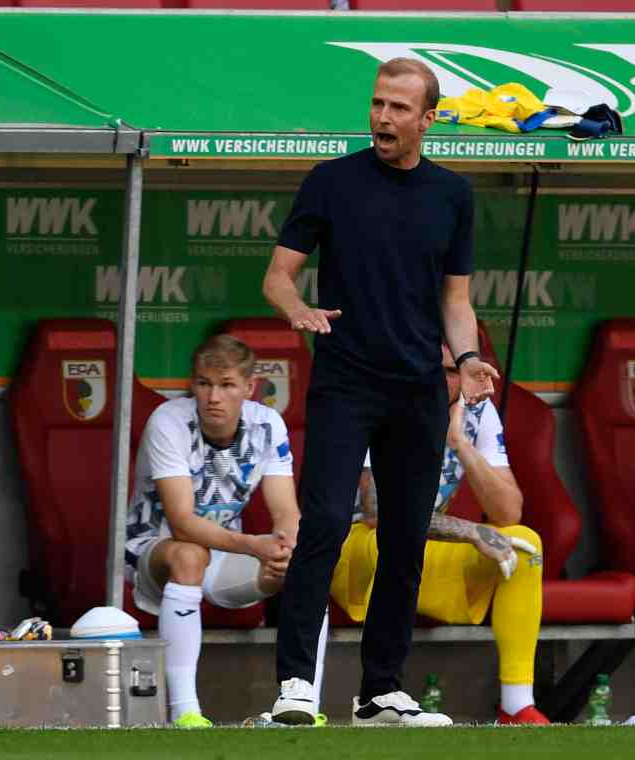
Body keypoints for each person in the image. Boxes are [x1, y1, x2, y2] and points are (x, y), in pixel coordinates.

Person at [262, 57, 500, 726]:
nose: (383, 117)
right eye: (377, 104)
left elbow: (456, 299)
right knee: (326, 524)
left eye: (399, 108)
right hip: (346, 382)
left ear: (428, 119)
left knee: (405, 537)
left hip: (418, 388)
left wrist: (468, 358)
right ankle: (295, 685)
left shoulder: (453, 194)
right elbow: (278, 275)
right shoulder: (331, 181)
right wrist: (297, 310)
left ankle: (380, 692)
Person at [332, 344, 547, 724]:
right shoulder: (385, 397)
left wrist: (460, 443)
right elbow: (378, 512)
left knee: (525, 543)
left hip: (420, 548)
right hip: (354, 550)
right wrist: (470, 531)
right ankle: (378, 693)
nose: (443, 379)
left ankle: (517, 704)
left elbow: (508, 511)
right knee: (389, 544)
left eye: (452, 371)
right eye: (436, 367)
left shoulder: (477, 410)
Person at [124, 335, 299, 728]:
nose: (213, 397)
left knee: (305, 564)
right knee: (190, 554)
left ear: (249, 388)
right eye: (204, 384)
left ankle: (301, 701)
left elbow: (287, 510)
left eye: (226, 385)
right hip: (155, 549)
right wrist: (254, 546)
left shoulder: (267, 424)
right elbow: (182, 522)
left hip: (225, 553)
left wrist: (285, 548)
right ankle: (185, 712)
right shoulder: (169, 420)